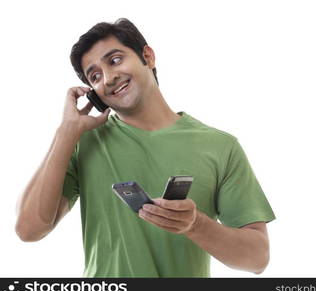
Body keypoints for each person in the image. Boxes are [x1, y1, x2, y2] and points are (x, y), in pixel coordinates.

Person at [15, 18, 276, 277]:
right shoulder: (83, 143)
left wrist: (195, 224)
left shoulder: (221, 147)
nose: (109, 78)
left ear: (148, 57)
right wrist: (65, 133)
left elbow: (257, 259)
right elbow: (28, 230)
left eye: (115, 60)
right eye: (95, 76)